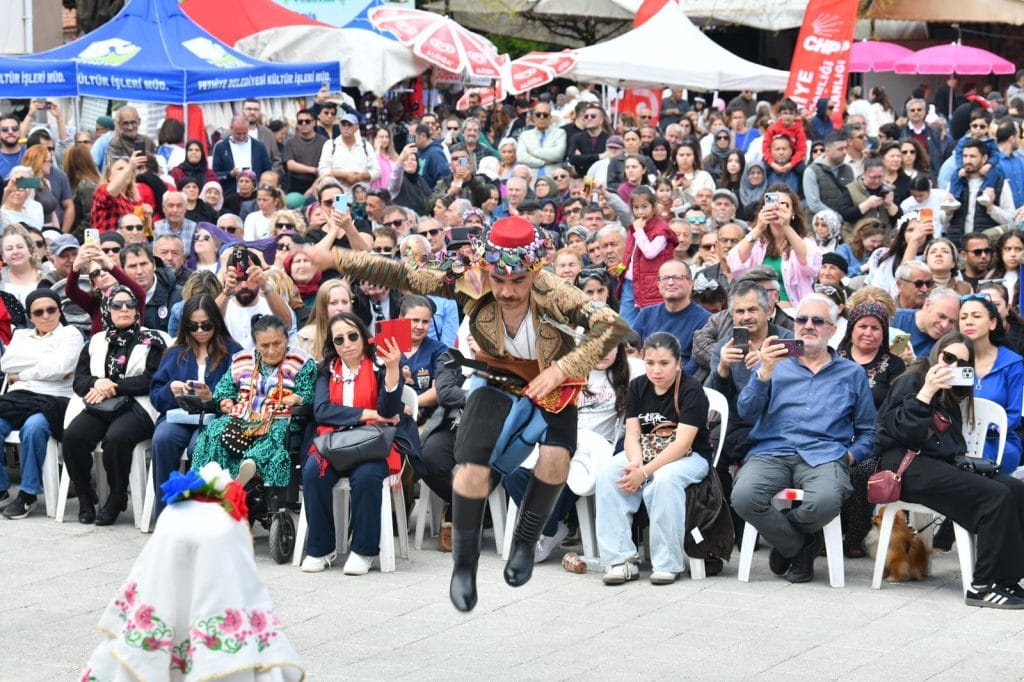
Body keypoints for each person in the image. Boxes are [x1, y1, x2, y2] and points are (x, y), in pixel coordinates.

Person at [303, 215, 629, 611]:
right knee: (470, 470)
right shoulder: (469, 277)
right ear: (488, 267)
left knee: (556, 458)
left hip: (553, 379)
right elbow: (402, 273)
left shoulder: (556, 290)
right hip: (496, 375)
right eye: (499, 279)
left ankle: (527, 541)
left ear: (535, 271)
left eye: (518, 281)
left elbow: (612, 327)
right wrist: (335, 258)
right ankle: (464, 563)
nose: (506, 291)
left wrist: (562, 369)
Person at [732, 294, 876, 583]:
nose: (808, 325)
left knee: (825, 501)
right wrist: (764, 373)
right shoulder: (773, 363)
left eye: (818, 320)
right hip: (772, 451)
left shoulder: (852, 373)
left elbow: (869, 431)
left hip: (824, 455)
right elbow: (745, 411)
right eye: (801, 319)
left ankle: (788, 541)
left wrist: (851, 456)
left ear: (832, 330)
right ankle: (801, 547)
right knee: (744, 497)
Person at [874, 332, 1024, 608]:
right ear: (937, 353)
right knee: (995, 496)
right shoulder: (913, 379)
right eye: (949, 357)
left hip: (936, 463)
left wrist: (964, 463)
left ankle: (1006, 578)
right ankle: (982, 586)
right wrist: (926, 393)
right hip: (905, 464)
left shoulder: (953, 391)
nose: (952, 366)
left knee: (1014, 488)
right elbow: (897, 432)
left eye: (962, 363)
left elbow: (952, 443)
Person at [300, 312, 420, 574]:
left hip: (374, 441)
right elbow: (322, 411)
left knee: (366, 476)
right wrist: (368, 413)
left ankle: (364, 551)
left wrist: (392, 369)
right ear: (333, 345)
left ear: (364, 337)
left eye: (352, 336)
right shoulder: (327, 370)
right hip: (334, 442)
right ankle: (321, 548)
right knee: (312, 471)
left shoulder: (380, 365)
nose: (347, 344)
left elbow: (388, 411)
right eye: (339, 340)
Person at [595, 332, 711, 585]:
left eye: (664, 363)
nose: (656, 370)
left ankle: (667, 563)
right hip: (647, 451)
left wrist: (645, 472)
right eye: (650, 363)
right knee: (609, 473)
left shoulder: (691, 390)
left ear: (678, 363)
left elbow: (682, 444)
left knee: (664, 479)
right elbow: (632, 434)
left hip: (689, 457)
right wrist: (636, 463)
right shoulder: (638, 386)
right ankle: (620, 560)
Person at [62, 286, 167, 526]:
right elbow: (79, 381)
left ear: (137, 310)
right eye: (117, 305)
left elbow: (153, 378)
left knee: (116, 438)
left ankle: (117, 496)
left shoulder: (152, 340)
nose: (124, 309)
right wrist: (97, 383)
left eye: (130, 304)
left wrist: (115, 386)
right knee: (73, 437)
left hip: (138, 405)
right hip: (101, 405)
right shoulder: (96, 341)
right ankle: (86, 496)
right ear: (107, 310)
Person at [190, 315, 316, 485]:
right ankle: (211, 480)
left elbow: (309, 392)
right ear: (256, 344)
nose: (271, 351)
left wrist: (298, 398)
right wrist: (225, 401)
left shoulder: (302, 362)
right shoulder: (241, 360)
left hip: (279, 418)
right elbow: (223, 389)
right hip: (242, 417)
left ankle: (250, 465)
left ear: (287, 340)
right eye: (265, 345)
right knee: (215, 430)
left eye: (277, 343)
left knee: (275, 435)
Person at [149, 295, 241, 519]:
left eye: (206, 325)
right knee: (163, 439)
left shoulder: (233, 352)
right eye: (193, 326)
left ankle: (203, 514)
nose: (200, 331)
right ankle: (166, 515)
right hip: (178, 416)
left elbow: (242, 394)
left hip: (216, 420)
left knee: (199, 445)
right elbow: (156, 398)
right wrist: (171, 389)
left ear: (216, 323)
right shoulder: (174, 352)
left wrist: (214, 398)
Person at [0, 289, 82, 518]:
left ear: (59, 311)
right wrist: (49, 359)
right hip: (19, 397)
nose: (46, 316)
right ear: (30, 316)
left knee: (34, 427)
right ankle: (1, 491)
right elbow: (6, 364)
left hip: (54, 399)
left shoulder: (70, 334)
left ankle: (28, 493)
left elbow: (61, 368)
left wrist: (22, 374)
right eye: (39, 312)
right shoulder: (21, 336)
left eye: (51, 309)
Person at [835, 301, 906, 556]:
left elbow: (897, 408)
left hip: (876, 437)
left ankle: (855, 535)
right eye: (862, 326)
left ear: (884, 333)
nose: (868, 332)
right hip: (835, 433)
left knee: (860, 469)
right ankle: (822, 533)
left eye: (875, 328)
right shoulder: (833, 358)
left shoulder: (894, 365)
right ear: (851, 329)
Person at [958, 294, 1024, 473]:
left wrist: (985, 430)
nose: (968, 322)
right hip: (959, 438)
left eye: (976, 316)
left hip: (998, 441)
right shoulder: (954, 359)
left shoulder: (1012, 363)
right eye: (963, 317)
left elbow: (1014, 414)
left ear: (993, 323)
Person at [727, 184, 820, 305]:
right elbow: (735, 266)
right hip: (760, 307)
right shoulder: (758, 241)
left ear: (793, 212)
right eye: (773, 204)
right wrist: (758, 228)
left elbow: (810, 267)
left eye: (784, 204)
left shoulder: (805, 242)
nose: (777, 208)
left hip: (795, 308)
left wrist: (785, 226)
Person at [65, 242, 146, 334]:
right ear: (94, 285)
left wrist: (109, 265)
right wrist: (76, 266)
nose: (103, 273)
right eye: (96, 273)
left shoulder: (132, 298)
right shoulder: (94, 304)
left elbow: (140, 294)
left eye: (106, 269)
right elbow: (71, 291)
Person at [296, 279, 353, 362]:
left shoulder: (358, 335)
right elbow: (292, 369)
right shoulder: (305, 338)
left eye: (345, 302)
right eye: (333, 303)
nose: (340, 308)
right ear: (322, 306)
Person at [90, 151, 146, 233]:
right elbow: (110, 193)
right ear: (109, 176)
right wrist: (130, 166)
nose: (126, 172)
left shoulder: (132, 201)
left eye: (128, 170)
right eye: (120, 169)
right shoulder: (101, 189)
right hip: (107, 240)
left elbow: (142, 233)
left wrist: (147, 217)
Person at [1, 224, 43, 305]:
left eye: (20, 247)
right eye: (9, 249)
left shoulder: (47, 271)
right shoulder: (1, 277)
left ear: (30, 250)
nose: (15, 252)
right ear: (3, 256)